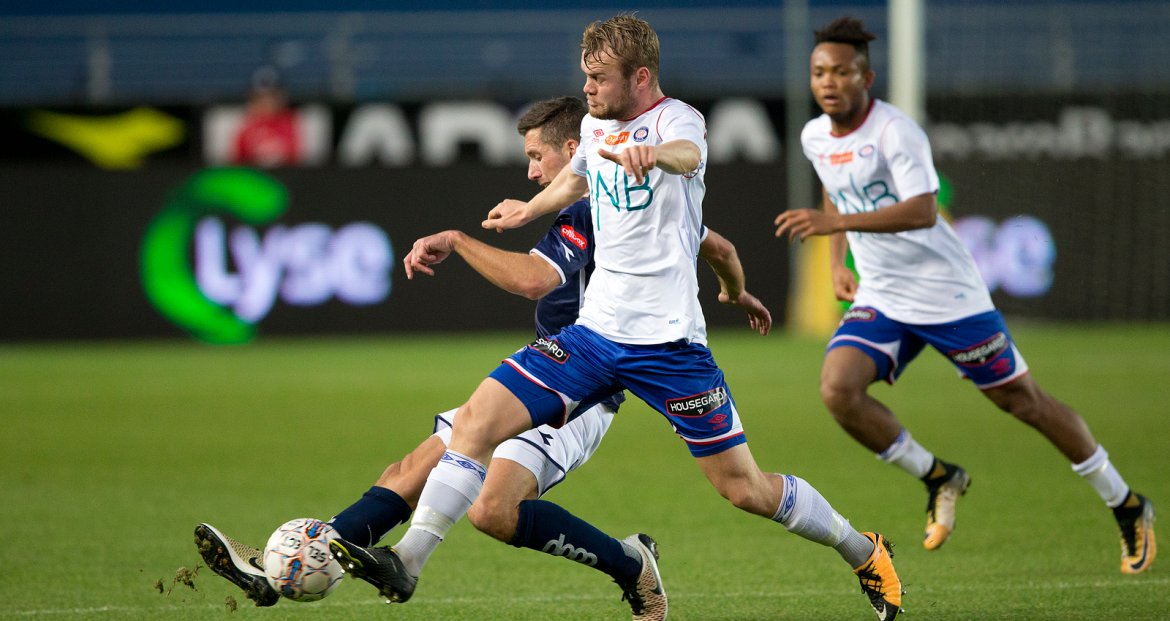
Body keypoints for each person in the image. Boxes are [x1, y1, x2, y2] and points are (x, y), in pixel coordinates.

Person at [330, 14, 903, 621]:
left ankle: (862, 549)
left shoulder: (679, 120)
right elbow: (575, 180)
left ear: (641, 77)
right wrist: (528, 210)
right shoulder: (594, 125)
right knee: (475, 421)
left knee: (745, 489)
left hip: (670, 348)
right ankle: (408, 559)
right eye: (586, 76)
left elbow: (687, 156)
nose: (588, 89)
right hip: (592, 338)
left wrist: (655, 155)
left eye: (599, 78)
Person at [194, 95, 773, 611]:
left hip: (583, 388)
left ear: (574, 149)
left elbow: (533, 280)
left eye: (537, 156)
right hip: (549, 369)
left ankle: (631, 565)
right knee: (409, 470)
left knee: (493, 511)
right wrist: (735, 291)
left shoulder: (594, 206)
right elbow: (716, 244)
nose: (531, 171)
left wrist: (457, 240)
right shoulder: (625, 198)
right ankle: (292, 565)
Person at [774, 16, 1155, 574]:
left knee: (1023, 402)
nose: (828, 82)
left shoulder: (896, 131)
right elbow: (834, 189)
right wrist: (837, 262)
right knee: (839, 390)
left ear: (867, 78)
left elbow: (923, 210)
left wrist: (837, 227)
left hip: (947, 293)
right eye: (819, 72)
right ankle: (938, 476)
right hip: (884, 292)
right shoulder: (815, 136)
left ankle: (1126, 503)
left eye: (842, 72)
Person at [231, 66, 301, 167]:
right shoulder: (245, 129)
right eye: (259, 98)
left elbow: (297, 160)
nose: (266, 102)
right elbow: (237, 164)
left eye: (271, 97)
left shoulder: (294, 125)